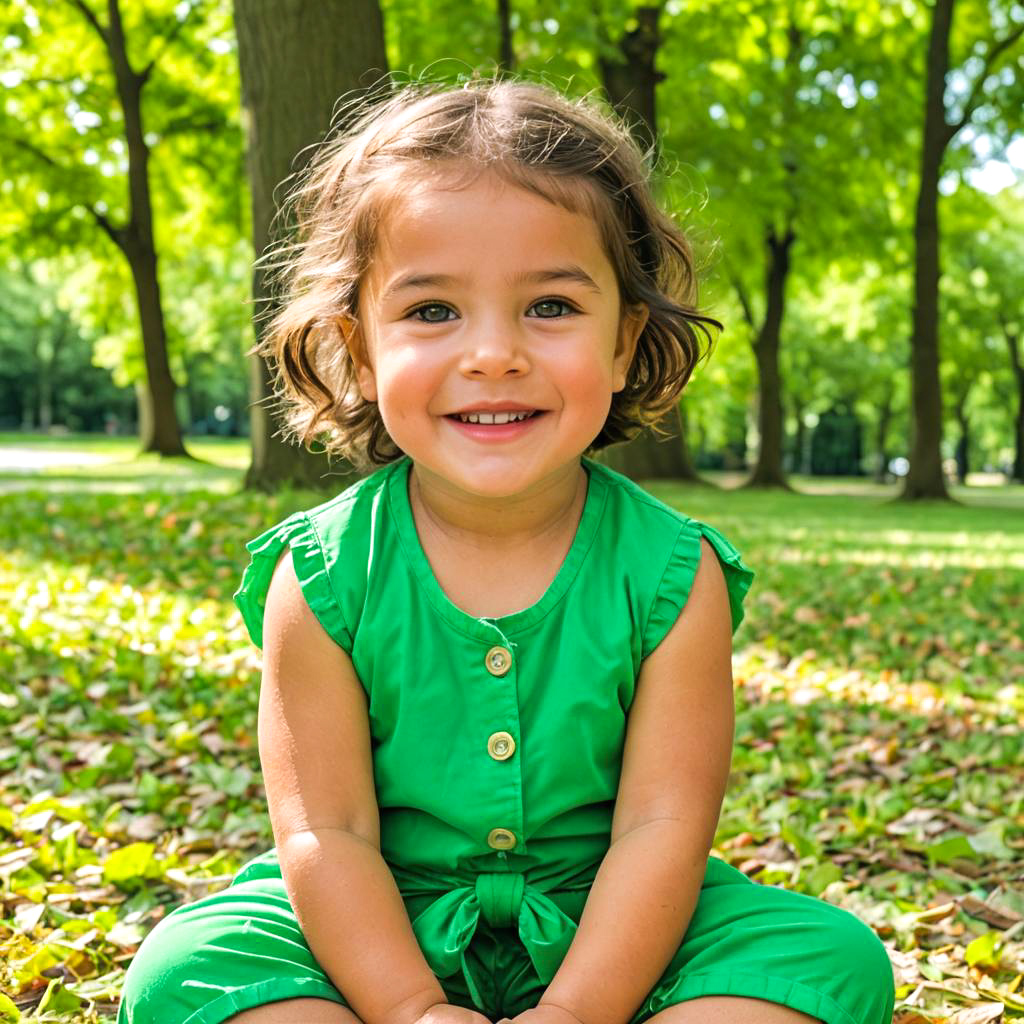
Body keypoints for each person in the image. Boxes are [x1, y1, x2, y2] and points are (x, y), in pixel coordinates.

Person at [117, 78, 895, 1024]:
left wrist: (575, 1012)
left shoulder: (671, 575)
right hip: (375, 922)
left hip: (613, 920)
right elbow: (330, 832)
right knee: (187, 967)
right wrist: (408, 1007)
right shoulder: (318, 577)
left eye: (552, 308)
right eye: (433, 311)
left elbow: (663, 830)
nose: (494, 354)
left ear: (623, 343)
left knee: (829, 959)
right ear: (359, 351)